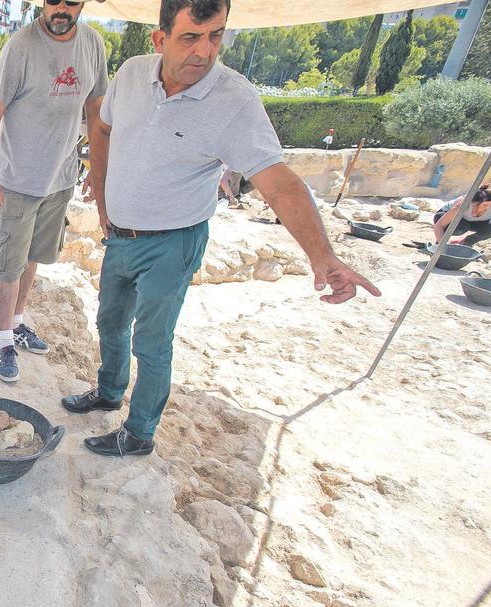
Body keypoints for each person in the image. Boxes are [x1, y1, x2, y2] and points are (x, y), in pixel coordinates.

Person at [61, 0, 380, 457]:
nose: (204, 52)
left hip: (173, 243)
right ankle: (109, 392)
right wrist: (102, 186)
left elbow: (281, 185)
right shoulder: (132, 74)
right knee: (110, 322)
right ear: (160, 39)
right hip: (120, 234)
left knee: (152, 342)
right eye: (190, 37)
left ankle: (139, 433)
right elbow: (103, 127)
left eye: (215, 36)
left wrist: (323, 257)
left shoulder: (235, 101)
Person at [0, 0, 110, 383]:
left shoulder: (93, 44)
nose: (61, 10)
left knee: (34, 255)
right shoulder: (20, 46)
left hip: (60, 178)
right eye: (54, 1)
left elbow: (97, 109)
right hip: (18, 180)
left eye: (71, 2)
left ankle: (18, 322)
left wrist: (98, 169)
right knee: (8, 263)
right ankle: (4, 340)